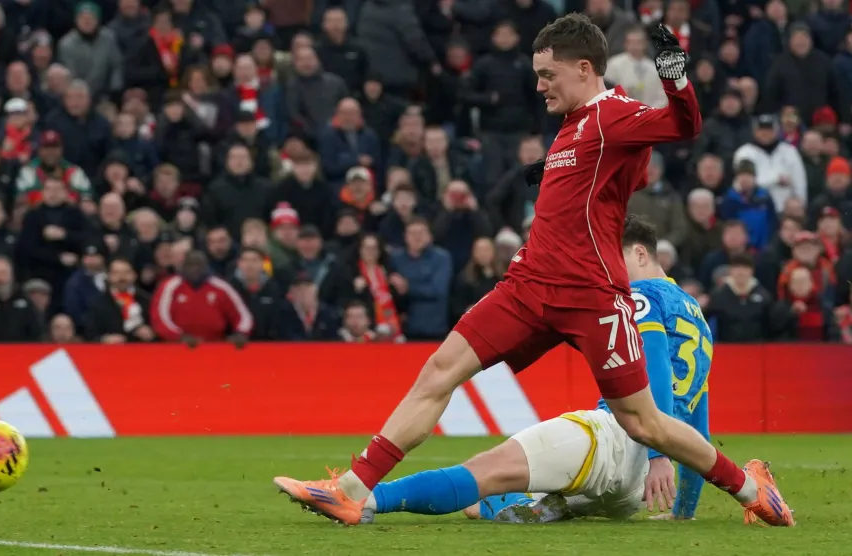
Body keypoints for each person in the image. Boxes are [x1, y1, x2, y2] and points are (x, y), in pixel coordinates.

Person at [273, 15, 793, 528]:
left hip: (591, 294)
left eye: (549, 74)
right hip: (527, 287)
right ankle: (351, 491)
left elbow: (684, 125)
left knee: (645, 423)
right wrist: (552, 173)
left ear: (585, 68)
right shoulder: (573, 125)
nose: (539, 85)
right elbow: (604, 179)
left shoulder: (615, 113)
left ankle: (752, 489)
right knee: (439, 371)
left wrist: (674, 73)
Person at [361, 217, 711, 524]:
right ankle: (528, 504)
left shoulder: (640, 295)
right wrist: (684, 507)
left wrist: (658, 454)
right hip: (632, 496)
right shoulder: (696, 317)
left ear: (639, 254)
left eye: (612, 260)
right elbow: (698, 423)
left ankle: (364, 497)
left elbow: (658, 374)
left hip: (617, 442)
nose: (609, 272)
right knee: (498, 494)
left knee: (482, 471)